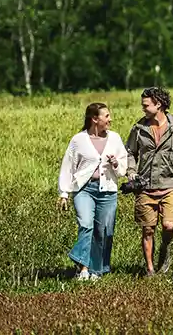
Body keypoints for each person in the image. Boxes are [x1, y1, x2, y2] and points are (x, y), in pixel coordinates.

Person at [125, 87, 173, 277]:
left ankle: (165, 249)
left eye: (146, 105)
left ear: (159, 104)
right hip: (145, 186)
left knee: (168, 226)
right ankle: (150, 269)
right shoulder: (138, 128)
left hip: (170, 185)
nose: (143, 108)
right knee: (148, 229)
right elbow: (129, 152)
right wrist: (131, 171)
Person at [58, 102, 128, 281]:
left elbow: (123, 169)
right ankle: (83, 268)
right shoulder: (78, 140)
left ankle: (96, 271)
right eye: (106, 116)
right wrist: (64, 193)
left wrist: (115, 163)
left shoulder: (115, 138)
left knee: (103, 231)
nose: (110, 119)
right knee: (86, 225)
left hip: (108, 190)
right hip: (84, 189)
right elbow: (68, 167)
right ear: (94, 119)